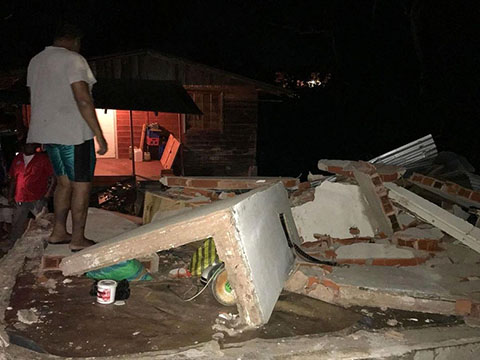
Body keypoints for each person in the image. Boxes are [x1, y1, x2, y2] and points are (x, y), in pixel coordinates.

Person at [26, 24, 108, 252]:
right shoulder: (73, 59)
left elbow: (37, 96)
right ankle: (78, 238)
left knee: (63, 183)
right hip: (75, 134)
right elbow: (83, 99)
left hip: (50, 134)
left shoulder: (36, 61)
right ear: (75, 40)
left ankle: (59, 232)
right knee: (81, 186)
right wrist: (99, 135)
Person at [8, 143, 55, 245]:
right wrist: (10, 196)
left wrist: (48, 194)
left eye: (32, 145)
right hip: (20, 197)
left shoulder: (43, 159)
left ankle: (47, 244)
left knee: (44, 222)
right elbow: (13, 179)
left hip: (37, 197)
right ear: (23, 146)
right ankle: (14, 245)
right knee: (17, 224)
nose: (31, 146)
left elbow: (53, 177)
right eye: (28, 145)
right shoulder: (18, 159)